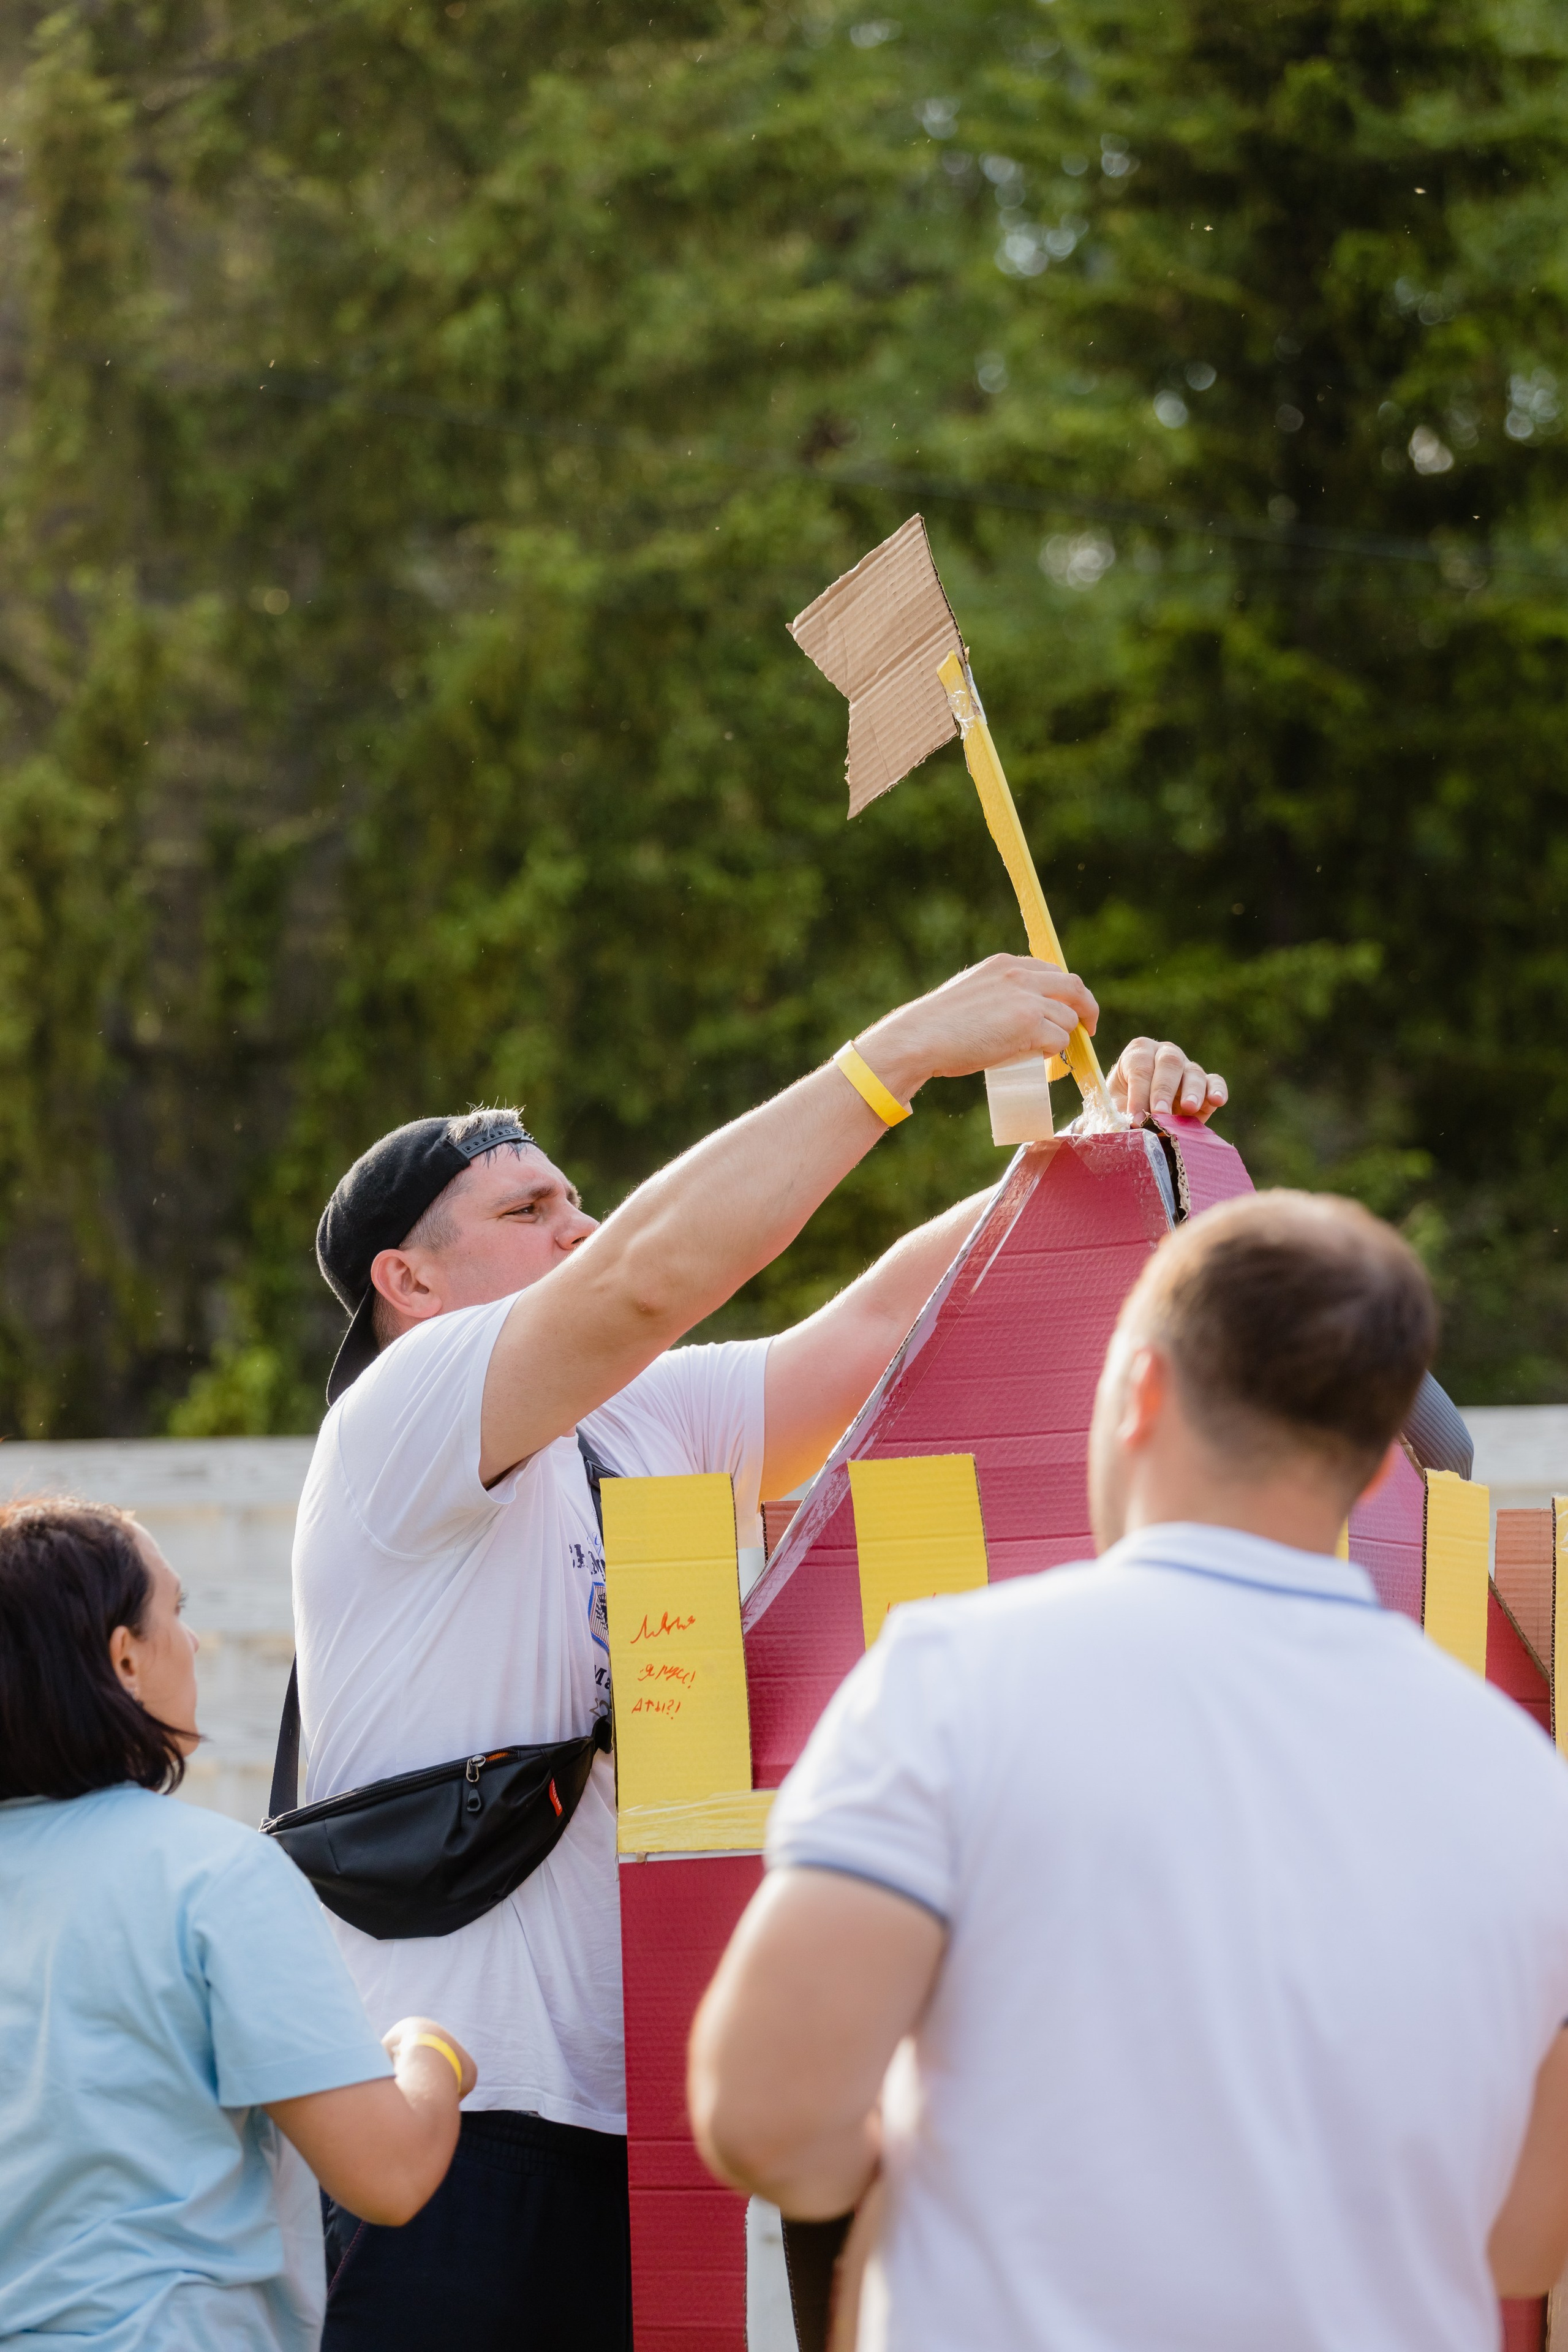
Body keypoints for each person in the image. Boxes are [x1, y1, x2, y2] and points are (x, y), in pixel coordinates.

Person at [290, 953, 1227, 2348]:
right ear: (406, 1281)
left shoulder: (634, 1418)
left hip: (626, 2134)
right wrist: (896, 1055)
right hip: (446, 2132)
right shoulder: (404, 1412)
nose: (576, 1225)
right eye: (527, 1207)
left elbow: (870, 1331)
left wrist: (1113, 1159)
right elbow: (645, 1279)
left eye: (573, 1196)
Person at [689, 1191, 1568, 2352]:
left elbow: (768, 2120)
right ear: (1370, 1472)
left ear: (1139, 1394)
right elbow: (1523, 2241)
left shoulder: (952, 1682)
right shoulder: (1523, 1778)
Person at [0, 1499, 477, 2352]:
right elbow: (390, 2174)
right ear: (125, 1660)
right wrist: (428, 2051)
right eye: (175, 1614)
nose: (191, 1642)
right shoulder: (214, 1877)